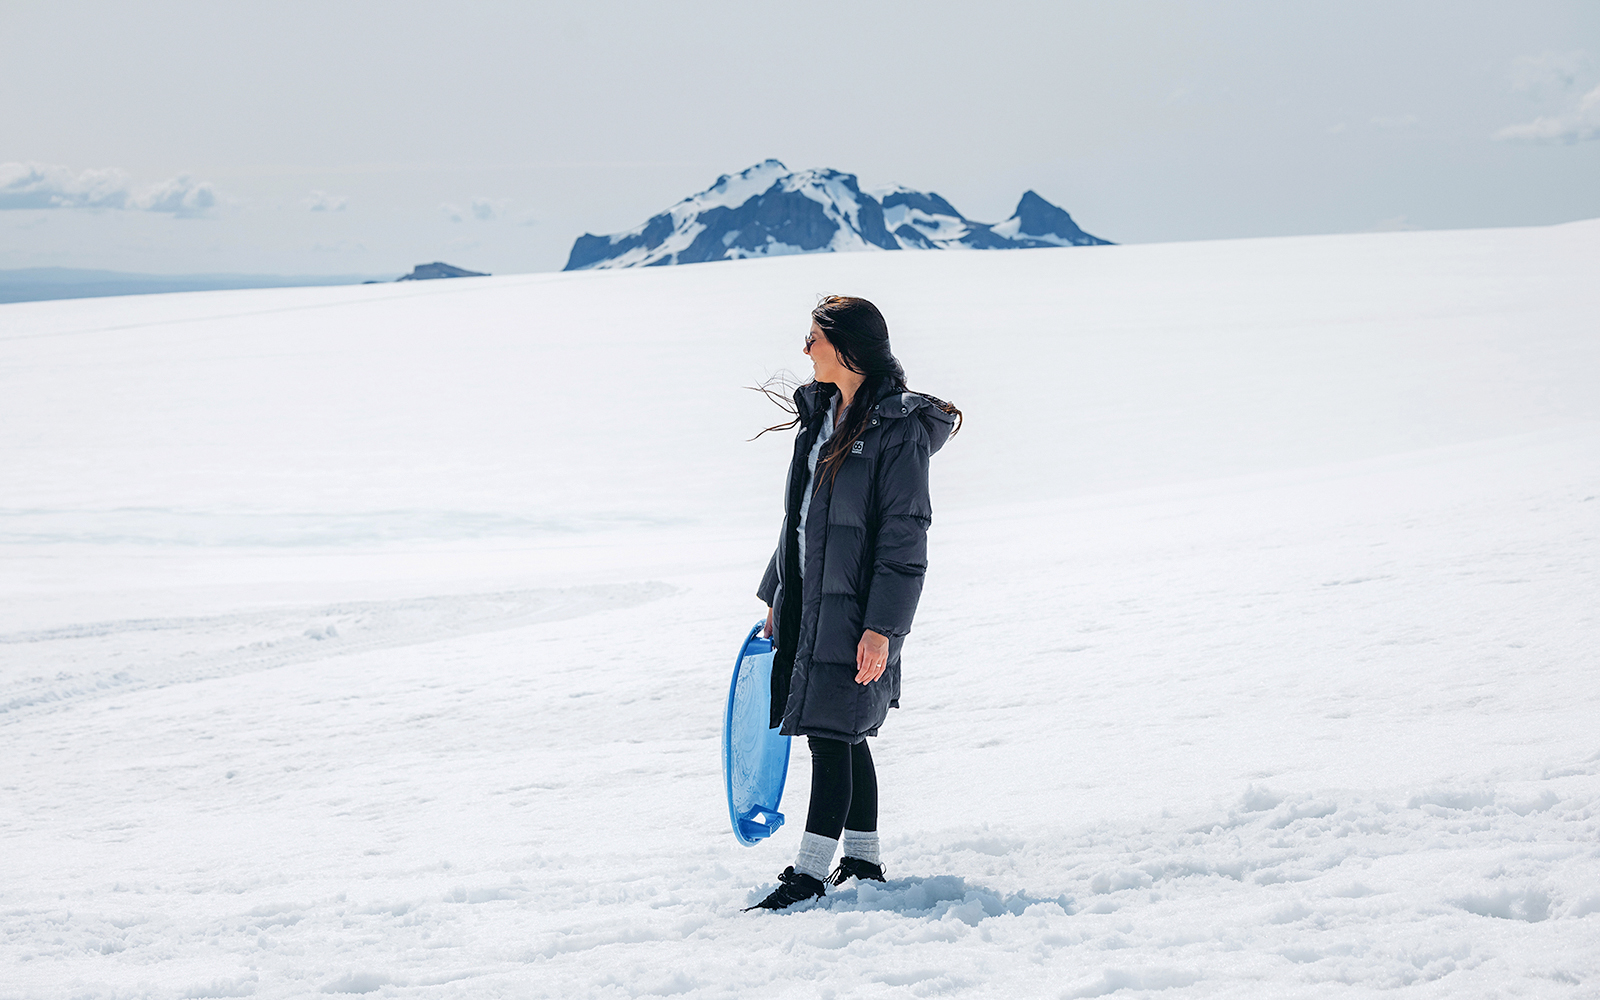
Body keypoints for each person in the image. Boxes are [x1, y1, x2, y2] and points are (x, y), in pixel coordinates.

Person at [745, 295, 961, 911]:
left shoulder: (896, 431)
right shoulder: (821, 415)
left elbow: (904, 539)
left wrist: (883, 629)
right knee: (846, 731)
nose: (805, 349)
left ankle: (808, 875)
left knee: (830, 734)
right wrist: (775, 594)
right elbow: (800, 521)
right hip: (810, 602)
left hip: (860, 612)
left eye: (813, 337)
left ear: (847, 348)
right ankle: (861, 860)